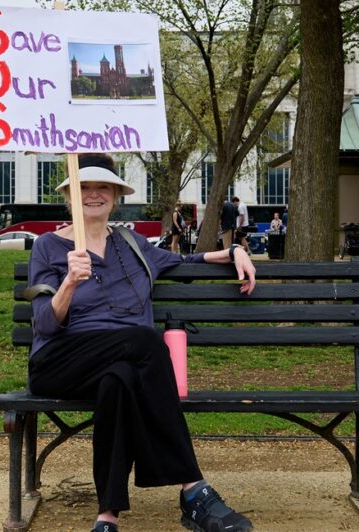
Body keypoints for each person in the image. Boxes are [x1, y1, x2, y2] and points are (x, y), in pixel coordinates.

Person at [27, 153, 256, 532]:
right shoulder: (49, 247)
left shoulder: (133, 245)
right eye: (85, 186)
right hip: (60, 363)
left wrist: (234, 251)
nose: (94, 194)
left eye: (104, 186)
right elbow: (45, 326)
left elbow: (190, 259)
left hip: (123, 365)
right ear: (70, 194)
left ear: (116, 195)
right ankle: (193, 490)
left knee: (118, 381)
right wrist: (68, 282)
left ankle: (107, 516)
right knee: (144, 340)